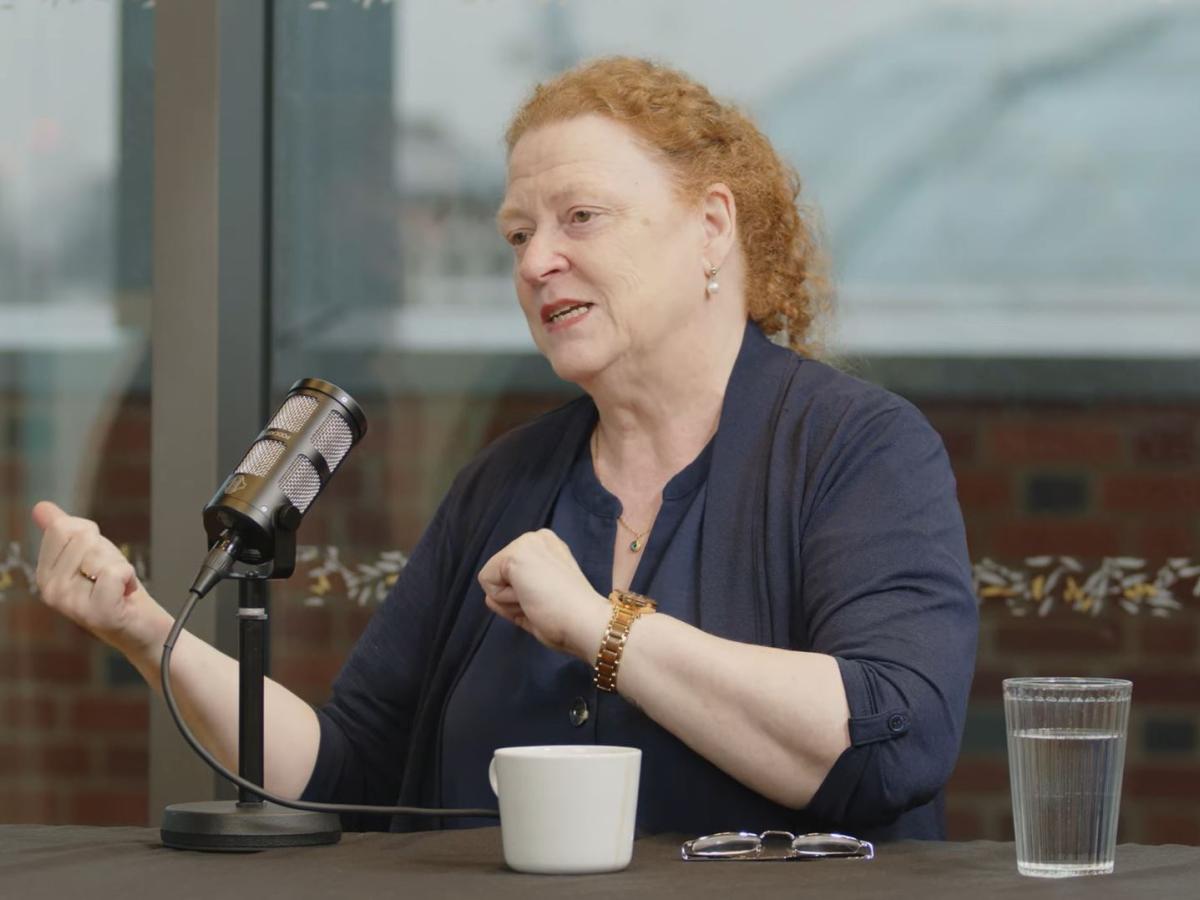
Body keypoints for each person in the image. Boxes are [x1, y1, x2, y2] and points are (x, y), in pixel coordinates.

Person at [32, 56, 978, 841]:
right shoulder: (506, 480)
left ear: (713, 228)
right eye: (518, 234)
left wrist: (601, 627)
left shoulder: (859, 450)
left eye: (581, 218)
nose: (534, 262)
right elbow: (341, 765)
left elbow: (893, 736)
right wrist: (148, 634)